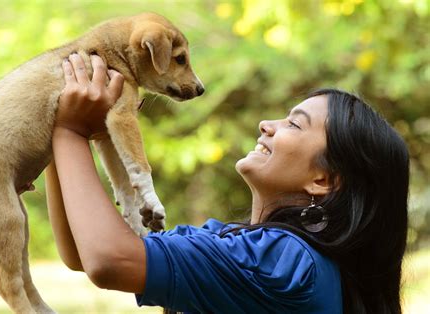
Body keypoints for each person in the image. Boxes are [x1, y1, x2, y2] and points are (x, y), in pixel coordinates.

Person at [45, 53, 409, 314]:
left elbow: (109, 259)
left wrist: (69, 128)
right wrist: (60, 139)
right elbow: (83, 251)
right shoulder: (241, 247)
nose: (267, 124)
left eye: (294, 125)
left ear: (323, 180)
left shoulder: (286, 263)